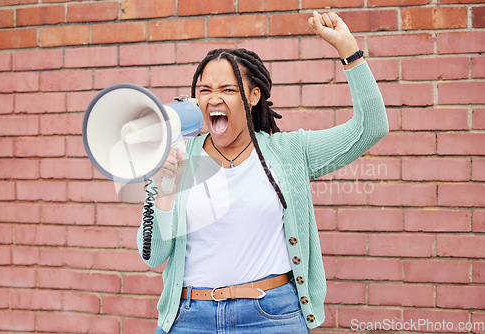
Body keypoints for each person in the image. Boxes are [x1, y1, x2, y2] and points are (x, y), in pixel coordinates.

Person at [138, 11, 389, 334]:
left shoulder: (290, 153)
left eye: (228, 89)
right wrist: (164, 191)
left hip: (270, 317)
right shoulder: (176, 156)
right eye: (205, 90)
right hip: (189, 319)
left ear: (253, 97)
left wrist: (349, 50)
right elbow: (153, 255)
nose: (214, 98)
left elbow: (370, 128)